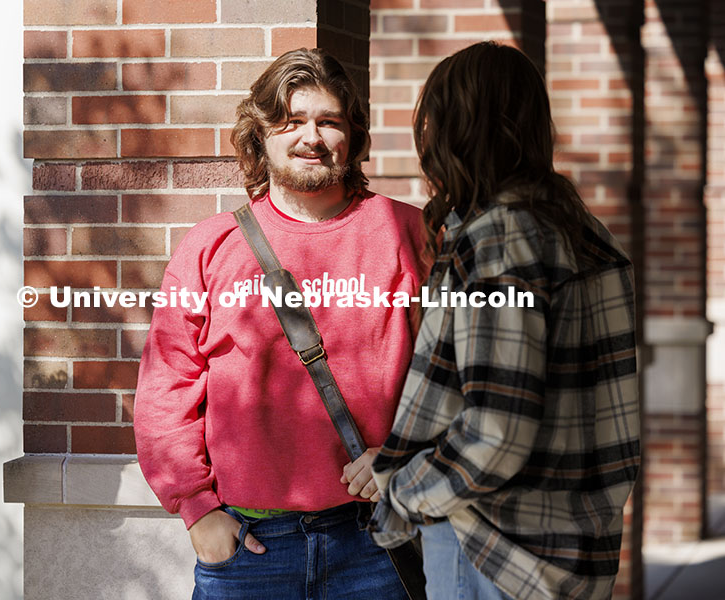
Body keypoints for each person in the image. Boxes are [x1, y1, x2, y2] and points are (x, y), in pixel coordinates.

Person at [134, 48, 428, 599]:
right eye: (290, 122)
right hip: (250, 549)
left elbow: (458, 373)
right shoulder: (211, 246)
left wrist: (407, 456)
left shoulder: (407, 234)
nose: (311, 137)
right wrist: (198, 512)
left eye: (329, 122)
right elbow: (166, 387)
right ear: (259, 136)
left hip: (378, 542)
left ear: (353, 135)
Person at [368, 41, 641, 600]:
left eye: (431, 121)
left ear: (457, 131)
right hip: (572, 548)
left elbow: (496, 430)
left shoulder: (500, 241)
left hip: (495, 551)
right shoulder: (583, 232)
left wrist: (404, 493)